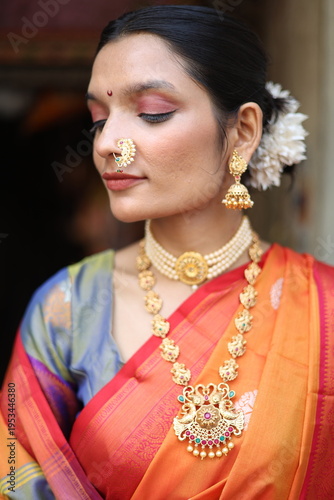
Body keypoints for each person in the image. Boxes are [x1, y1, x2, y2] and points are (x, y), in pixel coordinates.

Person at [1, 5, 333, 499]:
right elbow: (12, 464)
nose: (109, 143)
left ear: (242, 132)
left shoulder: (322, 309)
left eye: (152, 112)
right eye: (98, 119)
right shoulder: (66, 308)